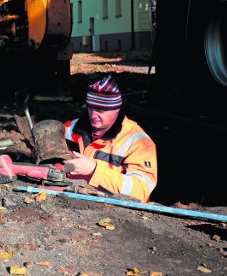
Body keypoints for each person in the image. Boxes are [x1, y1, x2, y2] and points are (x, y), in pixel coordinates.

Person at [62, 74, 158, 203]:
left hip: (120, 213)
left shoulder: (139, 143)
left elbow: (141, 190)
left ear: (117, 109)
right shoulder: (69, 128)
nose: (93, 115)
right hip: (71, 202)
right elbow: (41, 156)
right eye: (91, 107)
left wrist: (95, 170)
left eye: (101, 110)